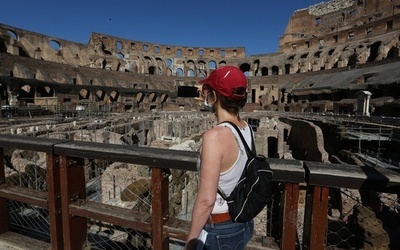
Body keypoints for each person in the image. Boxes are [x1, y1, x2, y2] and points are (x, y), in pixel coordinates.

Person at [185, 66, 254, 249]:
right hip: (242, 222)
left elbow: (207, 201)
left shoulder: (214, 137)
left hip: (220, 229)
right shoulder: (247, 128)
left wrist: (191, 242)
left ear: (213, 96)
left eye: (207, 92)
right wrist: (210, 96)